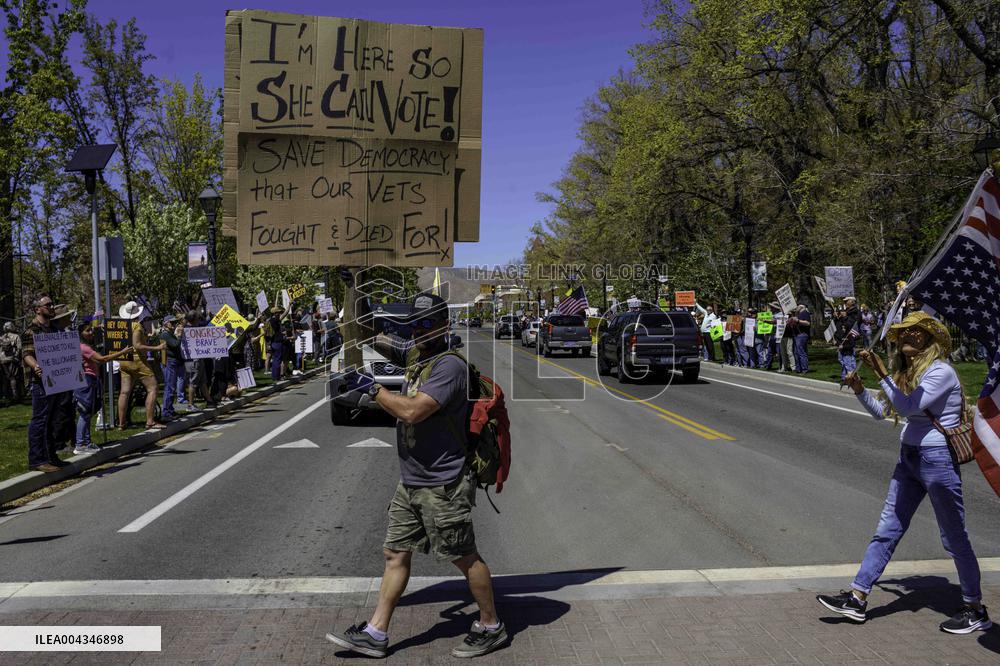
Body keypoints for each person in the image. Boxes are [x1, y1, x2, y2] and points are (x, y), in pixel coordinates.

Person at [327, 292, 506, 659]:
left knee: (464, 557)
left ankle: (491, 625)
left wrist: (373, 389)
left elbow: (411, 412)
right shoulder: (414, 353)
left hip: (443, 483)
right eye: (415, 325)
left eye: (428, 324)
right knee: (395, 552)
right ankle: (376, 632)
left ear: (444, 325)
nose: (420, 331)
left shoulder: (448, 367)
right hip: (411, 481)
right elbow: (365, 331)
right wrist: (355, 291)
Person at [817, 312, 989, 634]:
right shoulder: (906, 373)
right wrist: (859, 389)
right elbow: (883, 412)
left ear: (927, 338)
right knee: (887, 528)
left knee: (953, 537)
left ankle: (975, 607)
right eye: (902, 334)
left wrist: (881, 372)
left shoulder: (941, 372)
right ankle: (857, 597)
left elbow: (910, 407)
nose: (904, 338)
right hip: (909, 458)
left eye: (912, 333)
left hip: (937, 459)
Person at [74, 322, 133, 454]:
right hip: (87, 381)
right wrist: (122, 352)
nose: (91, 333)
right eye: (87, 331)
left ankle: (86, 442)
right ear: (80, 334)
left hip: (92, 380)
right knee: (85, 412)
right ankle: (80, 444)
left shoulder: (87, 346)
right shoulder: (84, 348)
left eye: (91, 330)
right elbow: (102, 359)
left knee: (89, 412)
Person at [21, 296, 62, 472]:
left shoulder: (54, 330)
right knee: (40, 419)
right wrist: (36, 366)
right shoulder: (31, 331)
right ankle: (37, 460)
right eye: (48, 305)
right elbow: (26, 354)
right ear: (37, 309)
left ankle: (51, 456)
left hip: (56, 380)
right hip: (40, 381)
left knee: (52, 419)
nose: (52, 307)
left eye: (52, 304)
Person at [116, 301, 166, 430]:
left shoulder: (122, 325)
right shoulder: (136, 326)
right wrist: (157, 347)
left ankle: (121, 423)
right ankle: (150, 421)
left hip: (124, 360)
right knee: (152, 388)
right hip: (137, 361)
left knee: (124, 392)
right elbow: (137, 345)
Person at [159, 315, 185, 421]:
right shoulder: (165, 335)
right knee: (169, 387)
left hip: (173, 362)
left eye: (175, 322)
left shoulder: (169, 334)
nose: (174, 324)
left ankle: (170, 409)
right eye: (172, 322)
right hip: (169, 363)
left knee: (172, 387)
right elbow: (175, 345)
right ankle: (166, 412)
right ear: (166, 324)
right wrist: (179, 336)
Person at [0, 321, 22, 404]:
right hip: (12, 359)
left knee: (5, 378)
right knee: (13, 377)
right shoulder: (16, 336)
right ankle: (15, 395)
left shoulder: (2, 337)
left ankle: (5, 395)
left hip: (3, 359)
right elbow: (19, 348)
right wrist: (17, 357)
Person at [790, 304, 811, 373]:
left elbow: (808, 323)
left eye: (798, 306)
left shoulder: (805, 313)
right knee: (796, 352)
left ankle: (804, 369)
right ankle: (799, 369)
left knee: (801, 352)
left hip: (802, 335)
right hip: (797, 335)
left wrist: (798, 321)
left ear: (802, 307)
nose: (796, 307)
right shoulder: (799, 314)